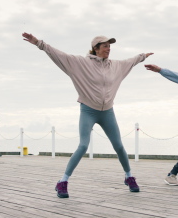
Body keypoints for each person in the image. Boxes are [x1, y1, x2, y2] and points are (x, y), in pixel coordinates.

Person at [22, 32, 153, 198]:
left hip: (108, 112)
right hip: (88, 110)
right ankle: (62, 182)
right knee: (83, 145)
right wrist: (38, 43)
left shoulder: (115, 65)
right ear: (96, 49)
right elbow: (58, 55)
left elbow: (130, 62)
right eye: (105, 46)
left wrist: (142, 56)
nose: (108, 49)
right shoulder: (80, 63)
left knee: (119, 145)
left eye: (109, 46)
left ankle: (129, 177)